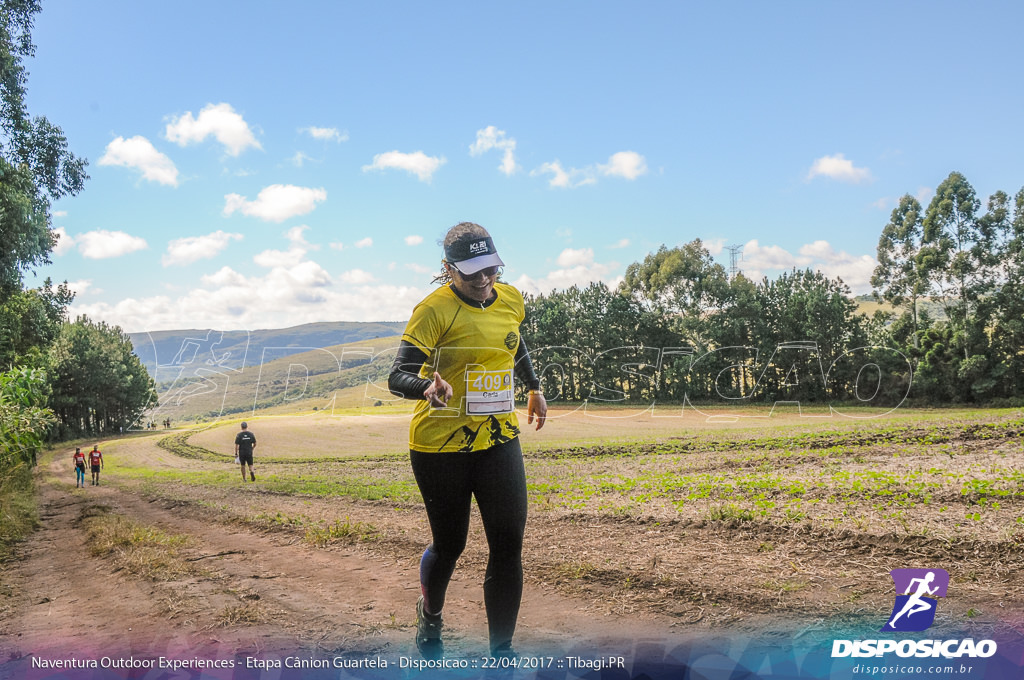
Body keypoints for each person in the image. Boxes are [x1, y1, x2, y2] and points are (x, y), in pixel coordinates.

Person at [389, 222, 547, 659]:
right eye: (472, 272)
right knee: (451, 544)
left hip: (498, 438)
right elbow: (396, 374)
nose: (483, 281)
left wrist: (532, 386)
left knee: (508, 543)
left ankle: (502, 655)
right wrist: (425, 388)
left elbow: (513, 344)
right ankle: (431, 614)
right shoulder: (433, 310)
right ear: (448, 269)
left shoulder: (511, 298)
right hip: (440, 446)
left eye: (491, 270)